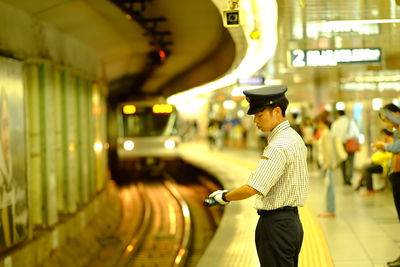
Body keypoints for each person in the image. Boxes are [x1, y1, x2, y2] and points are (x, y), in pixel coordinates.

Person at [207, 85, 309, 267]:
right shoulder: (294, 137)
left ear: (277, 111)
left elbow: (253, 187)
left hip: (276, 226)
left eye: (260, 115)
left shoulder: (278, 146)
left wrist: (223, 197)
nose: (255, 121)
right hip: (291, 223)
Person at [373, 104, 400, 267]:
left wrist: (384, 146)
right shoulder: (397, 131)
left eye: (387, 119)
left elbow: (397, 147)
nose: (387, 124)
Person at [356, 129, 393, 194]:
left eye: (383, 135)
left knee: (367, 169)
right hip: (379, 163)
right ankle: (362, 184)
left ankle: (367, 187)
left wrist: (382, 149)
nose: (383, 136)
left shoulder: (390, 144)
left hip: (384, 165)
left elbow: (388, 155)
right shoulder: (384, 143)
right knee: (365, 166)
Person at [330, 110, 360, 185]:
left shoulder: (336, 123)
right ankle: (349, 177)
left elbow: (332, 135)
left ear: (337, 115)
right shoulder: (350, 121)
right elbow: (356, 133)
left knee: (343, 162)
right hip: (349, 143)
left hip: (340, 144)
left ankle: (345, 179)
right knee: (351, 161)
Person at [315, 114, 336, 217]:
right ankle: (329, 209)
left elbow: (328, 151)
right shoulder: (326, 133)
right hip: (327, 164)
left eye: (317, 123)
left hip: (328, 165)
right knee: (328, 187)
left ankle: (330, 210)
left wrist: (327, 164)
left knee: (329, 188)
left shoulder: (326, 134)